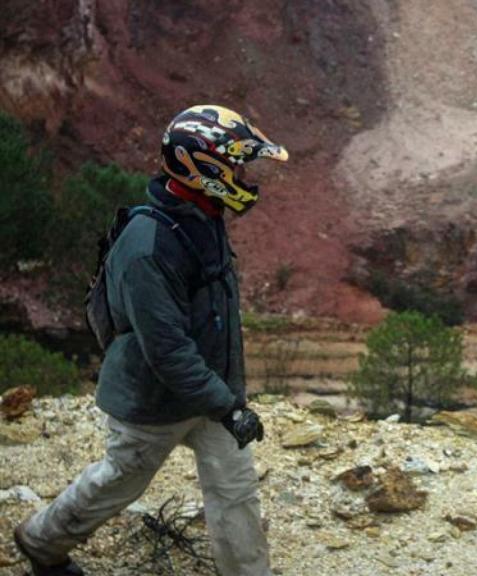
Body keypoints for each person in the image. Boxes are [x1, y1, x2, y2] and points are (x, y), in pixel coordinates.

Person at [13, 105, 289, 576]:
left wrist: (225, 400)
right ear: (205, 168)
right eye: (237, 165)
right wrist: (228, 406)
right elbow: (166, 348)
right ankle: (41, 541)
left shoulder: (203, 215)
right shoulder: (149, 246)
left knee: (235, 489)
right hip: (154, 399)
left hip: (211, 393)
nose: (245, 175)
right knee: (120, 479)